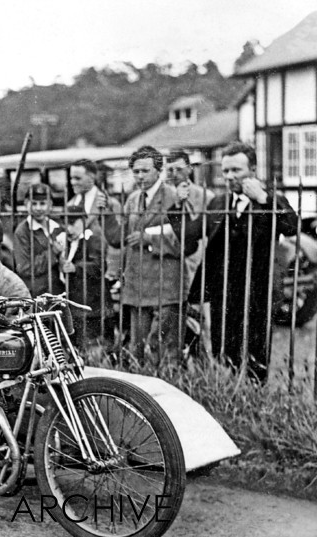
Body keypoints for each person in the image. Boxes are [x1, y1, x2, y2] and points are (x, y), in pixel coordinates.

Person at [185, 142, 297, 383]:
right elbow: (195, 235)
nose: (229, 177)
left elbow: (291, 227)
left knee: (256, 343)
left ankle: (255, 389)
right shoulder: (218, 203)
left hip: (258, 286)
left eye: (236, 170)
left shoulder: (271, 199)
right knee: (224, 344)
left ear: (253, 170)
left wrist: (264, 198)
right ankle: (230, 388)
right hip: (224, 287)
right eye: (225, 171)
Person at [104, 146, 186, 364]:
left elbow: (183, 239)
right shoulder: (132, 200)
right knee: (137, 348)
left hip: (164, 283)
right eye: (136, 171)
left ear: (158, 171)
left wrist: (149, 239)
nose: (140, 176)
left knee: (165, 348)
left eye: (145, 171)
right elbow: (121, 236)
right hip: (138, 285)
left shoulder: (172, 197)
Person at [164, 150, 216, 357]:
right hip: (170, 263)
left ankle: (207, 360)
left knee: (203, 316)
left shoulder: (205, 196)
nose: (175, 173)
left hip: (197, 262)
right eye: (171, 170)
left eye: (179, 168)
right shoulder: (165, 195)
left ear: (189, 169)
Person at [65, 159, 123, 344]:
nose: (73, 182)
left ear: (91, 177)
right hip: (81, 281)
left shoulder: (108, 203)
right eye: (71, 178)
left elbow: (116, 240)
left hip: (101, 275)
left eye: (78, 177)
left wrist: (113, 273)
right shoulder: (72, 203)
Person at [13, 184, 66, 298]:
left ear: (50, 205)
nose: (38, 208)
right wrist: (52, 253)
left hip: (58, 290)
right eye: (34, 203)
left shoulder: (57, 227)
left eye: (42, 203)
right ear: (26, 204)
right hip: (38, 293)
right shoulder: (23, 231)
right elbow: (23, 268)